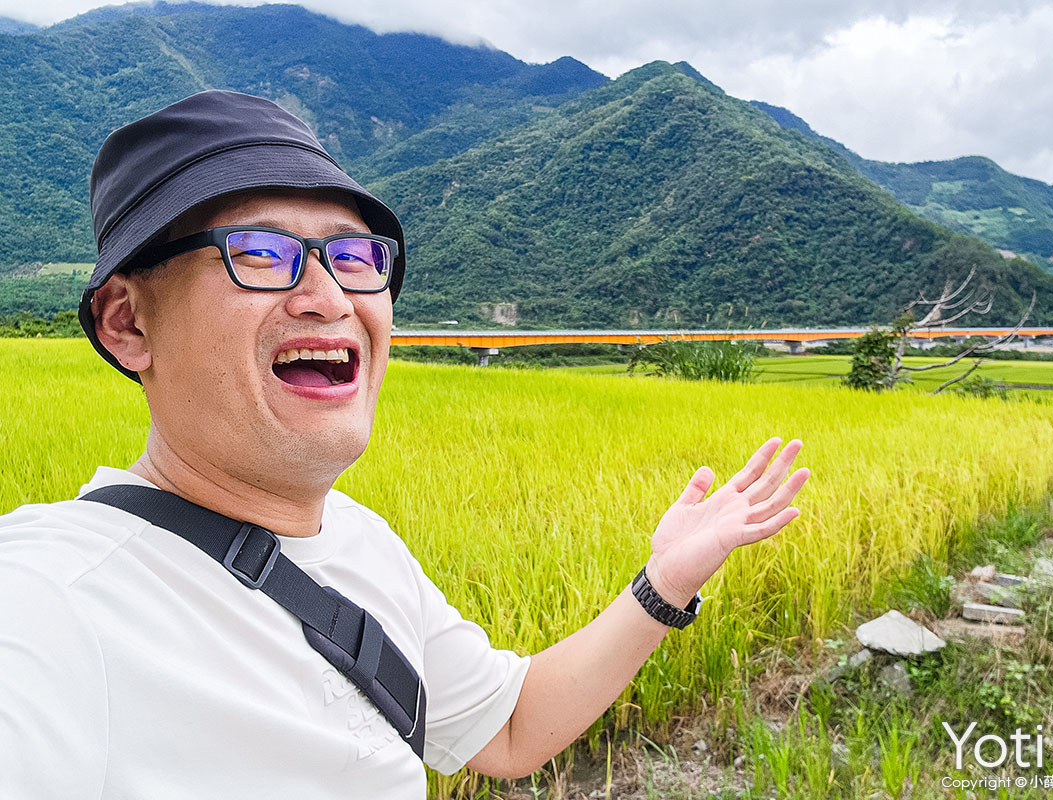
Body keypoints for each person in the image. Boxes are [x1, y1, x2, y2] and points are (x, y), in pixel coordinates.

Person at [0, 91, 809, 797]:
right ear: (129, 322)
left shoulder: (360, 543)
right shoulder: (52, 600)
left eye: (353, 257)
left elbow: (509, 730)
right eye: (260, 253)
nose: (327, 298)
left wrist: (664, 581)